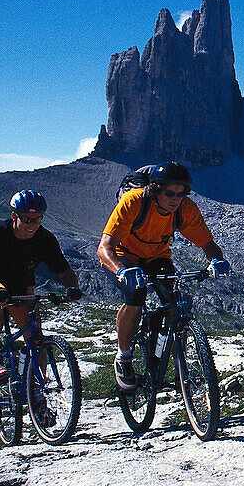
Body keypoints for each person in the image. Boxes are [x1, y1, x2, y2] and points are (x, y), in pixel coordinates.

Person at [96, 161, 230, 390]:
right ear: (155, 189)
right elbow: (104, 248)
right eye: (170, 193)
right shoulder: (133, 202)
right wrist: (121, 269)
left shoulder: (185, 209)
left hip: (157, 257)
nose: (176, 199)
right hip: (123, 256)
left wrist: (216, 259)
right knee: (135, 295)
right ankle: (123, 357)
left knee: (175, 302)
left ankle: (178, 366)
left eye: (182, 194)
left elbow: (207, 243)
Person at [0, 190, 82, 381]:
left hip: (20, 284)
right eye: (27, 219)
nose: (32, 225)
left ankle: (37, 391)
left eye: (37, 220)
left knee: (35, 339)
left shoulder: (45, 238)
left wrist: (72, 288)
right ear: (14, 215)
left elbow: (64, 271)